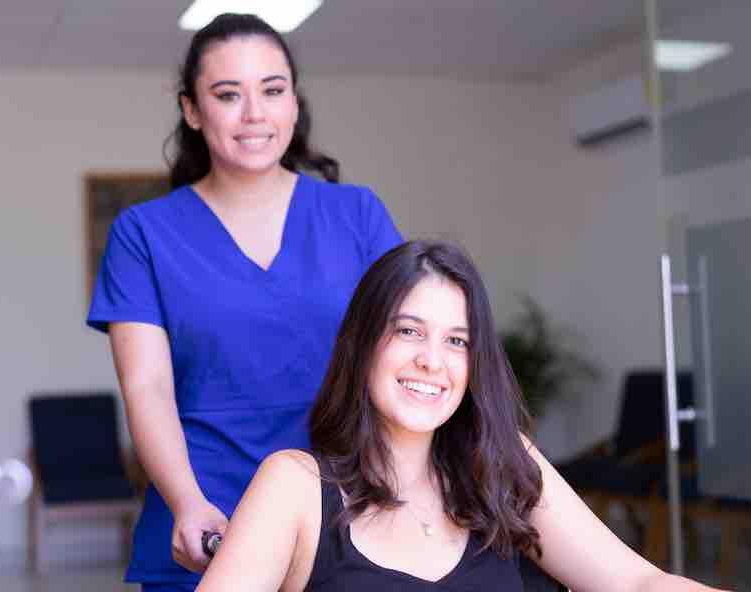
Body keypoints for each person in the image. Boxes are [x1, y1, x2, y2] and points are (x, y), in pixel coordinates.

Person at [195, 240, 729, 592]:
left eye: (457, 341)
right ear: (361, 345)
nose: (432, 359)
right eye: (408, 331)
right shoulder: (294, 485)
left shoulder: (504, 464)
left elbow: (637, 583)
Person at [86, 13, 402, 591]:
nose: (255, 114)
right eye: (228, 94)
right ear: (192, 109)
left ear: (294, 102)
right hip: (206, 525)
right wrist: (186, 503)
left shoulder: (358, 216)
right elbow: (146, 386)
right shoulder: (143, 234)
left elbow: (404, 358)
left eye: (273, 90)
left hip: (348, 515)